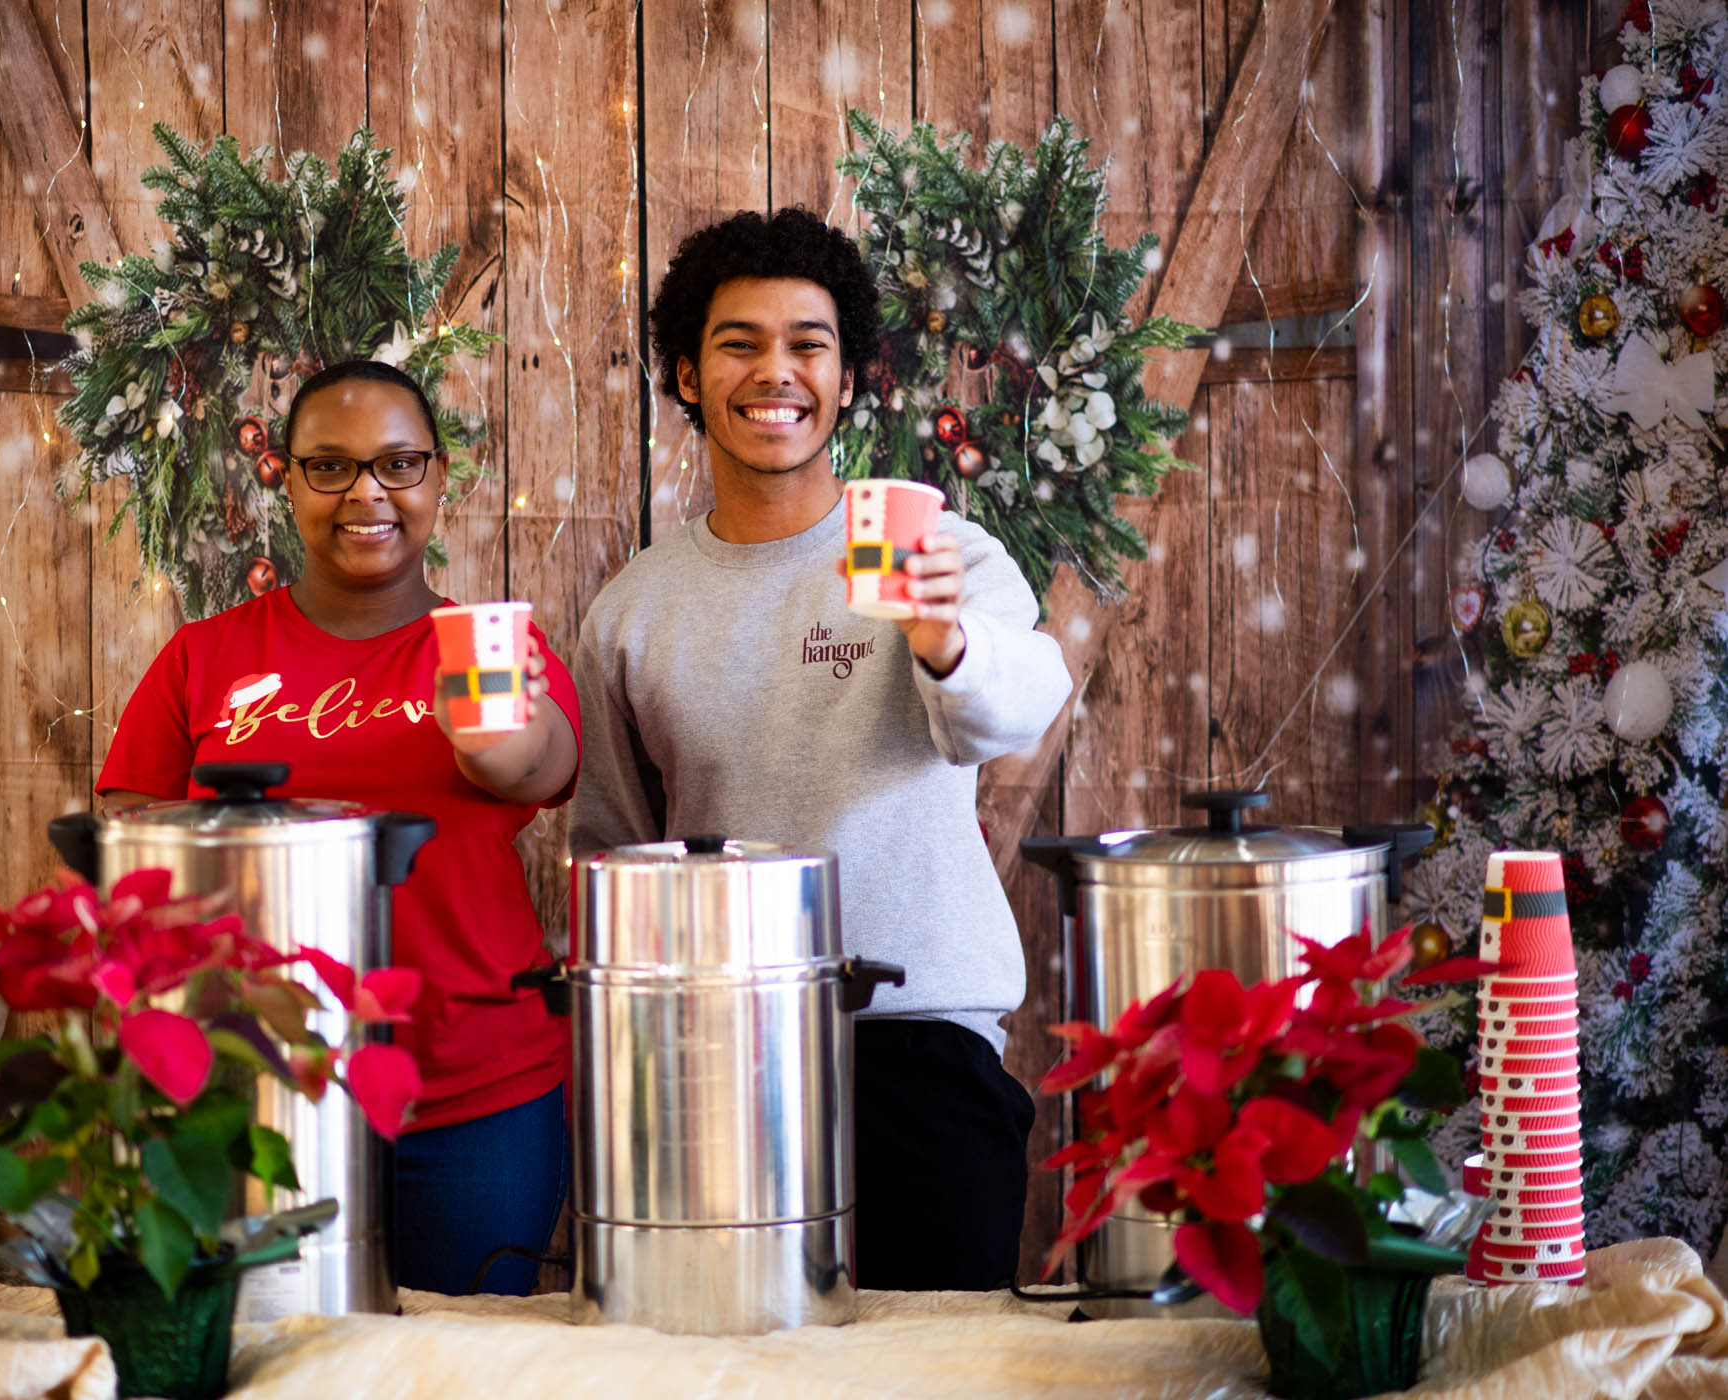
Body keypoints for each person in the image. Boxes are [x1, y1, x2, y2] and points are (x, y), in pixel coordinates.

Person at [567, 207, 1074, 1291]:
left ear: (847, 380)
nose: (776, 371)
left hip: (921, 1047)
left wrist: (940, 636)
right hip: (711, 1060)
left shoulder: (938, 548)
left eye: (809, 343)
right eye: (739, 342)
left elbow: (1017, 705)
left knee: (938, 1372)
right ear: (687, 375)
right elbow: (610, 847)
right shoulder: (631, 610)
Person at [97, 360, 580, 1296]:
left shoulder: (489, 651)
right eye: (331, 466)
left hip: (474, 1093)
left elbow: (537, 766)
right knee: (273, 1365)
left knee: (464, 1374)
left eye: (399, 464)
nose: (368, 492)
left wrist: (490, 730)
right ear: (284, 477)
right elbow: (130, 852)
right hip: (257, 1097)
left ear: (439, 479)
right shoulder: (205, 656)